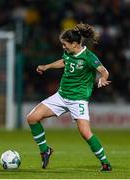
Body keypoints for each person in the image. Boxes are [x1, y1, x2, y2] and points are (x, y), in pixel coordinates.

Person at [26, 23, 112, 172]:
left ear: (75, 44)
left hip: (78, 99)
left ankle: (105, 163)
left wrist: (103, 78)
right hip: (61, 96)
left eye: (65, 45)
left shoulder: (89, 57)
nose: (63, 47)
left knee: (85, 133)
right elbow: (64, 62)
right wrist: (46, 66)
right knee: (32, 118)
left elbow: (104, 71)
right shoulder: (69, 53)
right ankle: (45, 150)